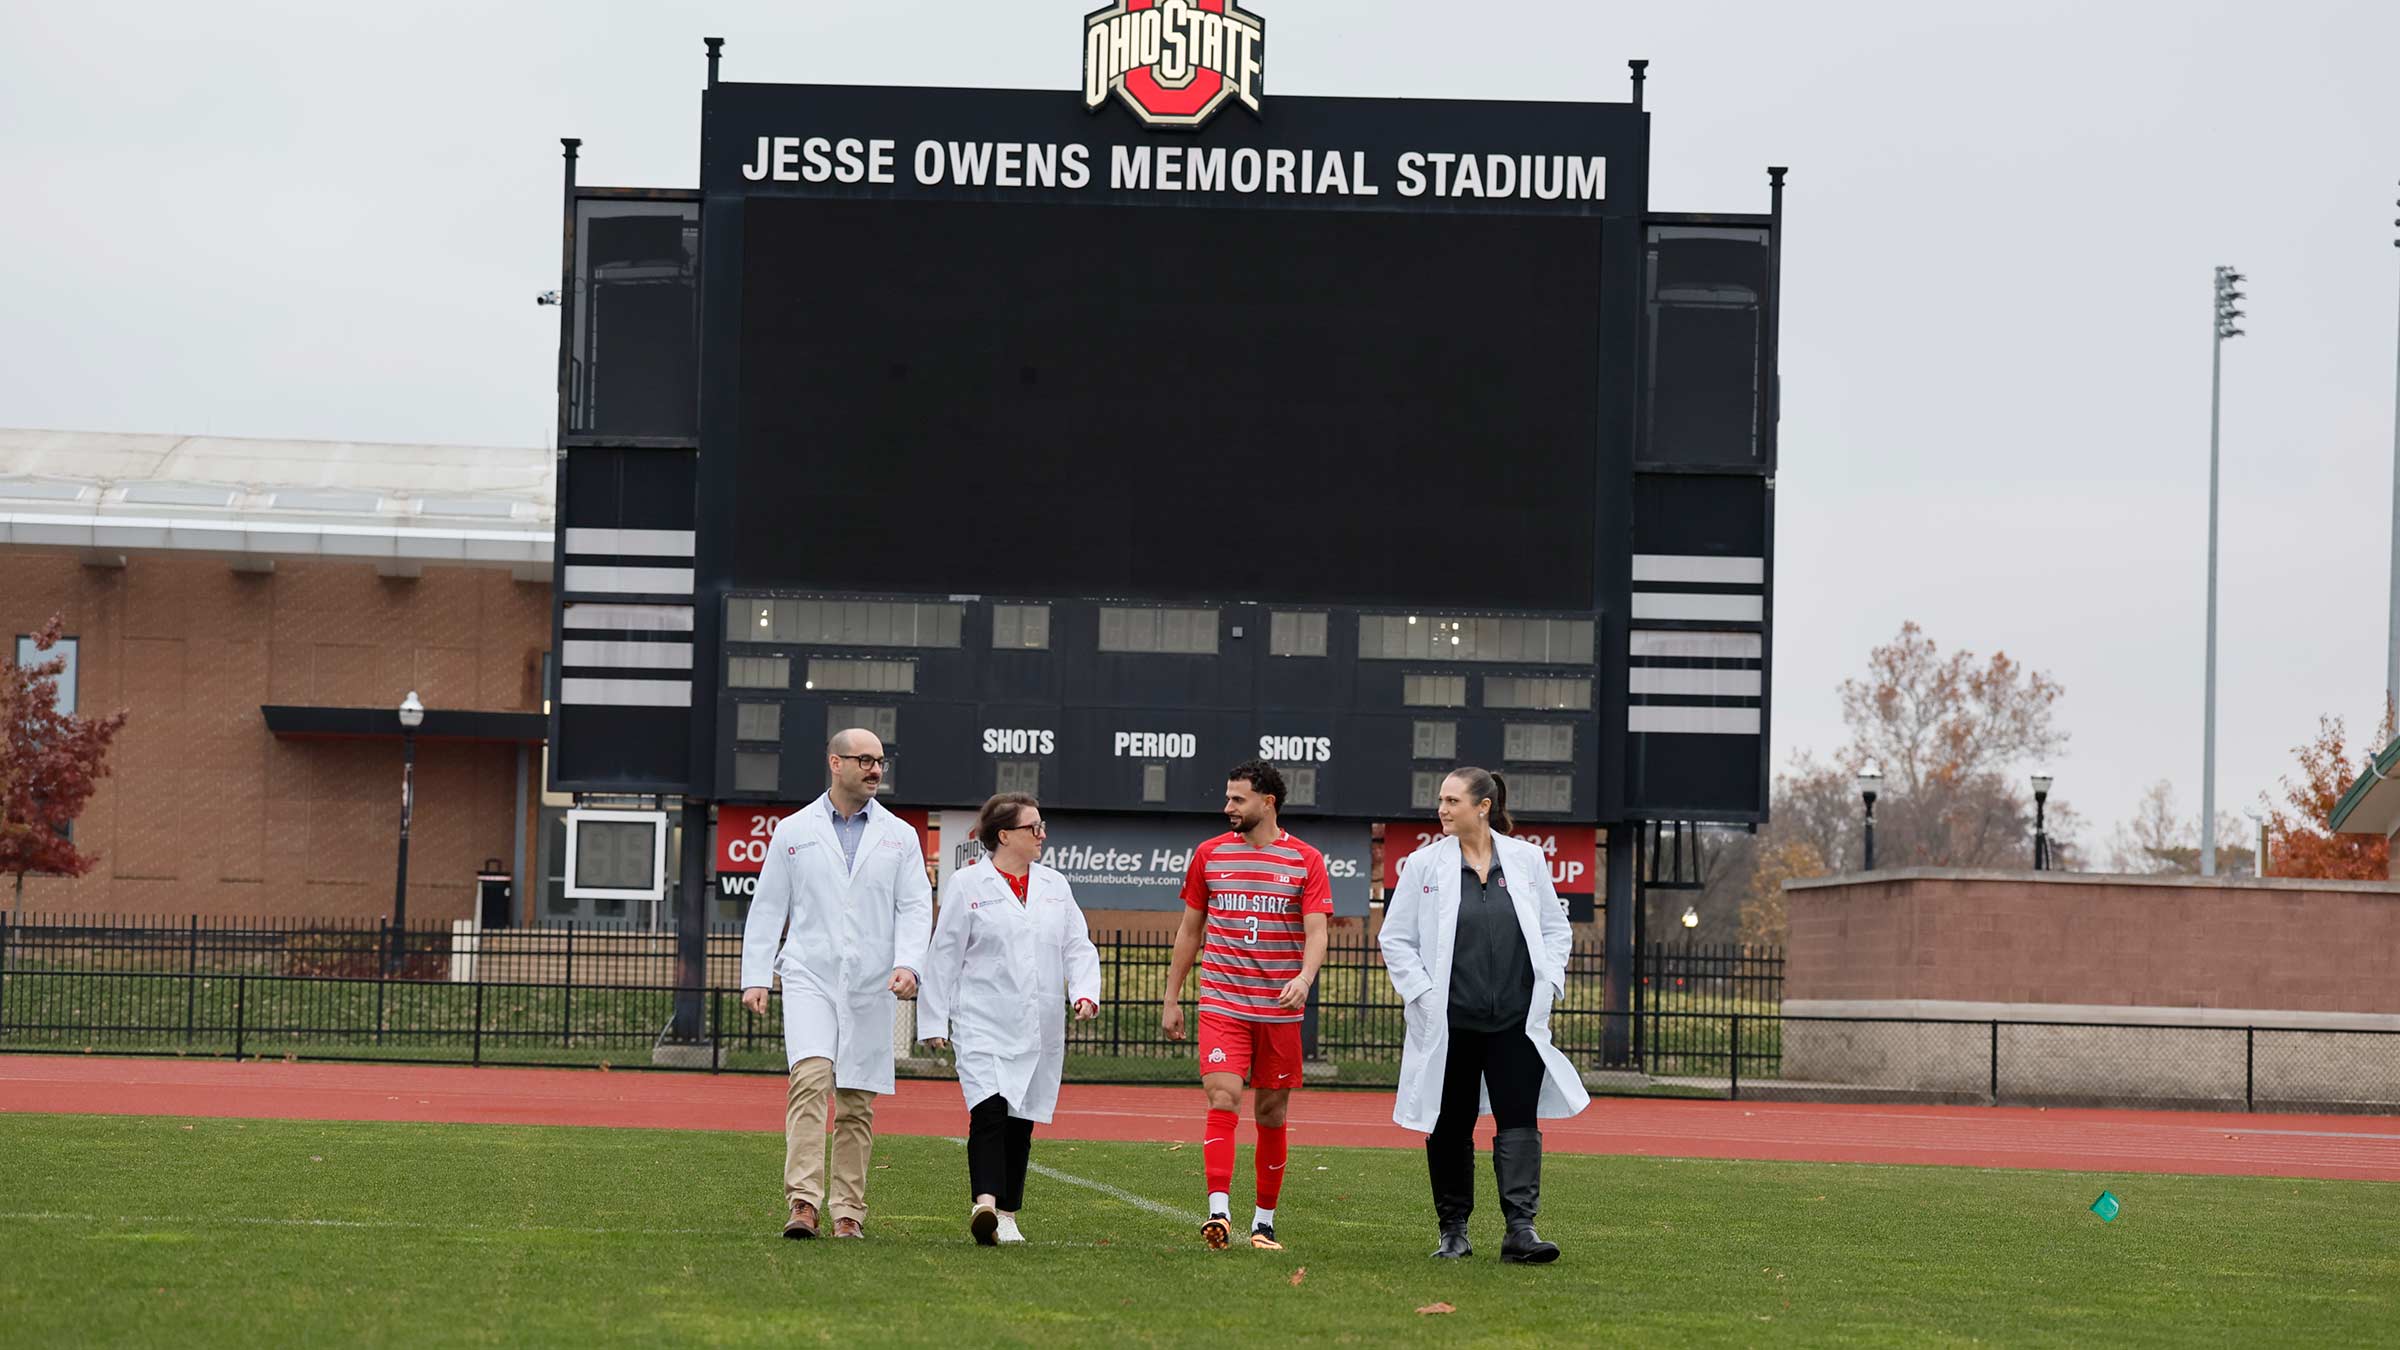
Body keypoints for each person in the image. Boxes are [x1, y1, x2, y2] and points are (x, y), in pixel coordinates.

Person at [1379, 767, 1590, 1264]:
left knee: (1519, 1121)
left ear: (1483, 806)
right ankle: (1453, 1231)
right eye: (1441, 800)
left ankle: (1521, 1229)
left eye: (1452, 800)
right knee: (1450, 1123)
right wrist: (1426, 995)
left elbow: (1557, 931)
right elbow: (1396, 939)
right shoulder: (1423, 865)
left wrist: (1550, 982)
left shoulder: (1527, 860)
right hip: (1449, 1024)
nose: (1442, 809)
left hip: (1516, 1020)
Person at [739, 728, 932, 1240]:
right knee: (810, 1077)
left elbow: (914, 906)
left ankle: (849, 1210)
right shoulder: (794, 830)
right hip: (808, 972)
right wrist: (757, 976)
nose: (875, 770)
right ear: (835, 762)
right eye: (864, 760)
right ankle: (803, 1203)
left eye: (880, 761)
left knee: (855, 1100)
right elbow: (768, 908)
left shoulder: (900, 835)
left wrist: (910, 963)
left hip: (872, 980)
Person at [1160, 759, 1331, 1251]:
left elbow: (1317, 933)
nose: (1227, 806)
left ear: (1267, 802)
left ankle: (1264, 1221)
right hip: (1222, 1003)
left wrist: (1304, 977)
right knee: (1223, 1096)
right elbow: (1190, 931)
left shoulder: (1306, 860)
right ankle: (1219, 1213)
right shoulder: (1209, 855)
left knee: (1272, 1114)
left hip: (1279, 1011)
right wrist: (1172, 998)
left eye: (1238, 799)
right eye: (1228, 797)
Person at [919, 793, 1102, 1245]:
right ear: (1004, 835)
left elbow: (1077, 945)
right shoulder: (967, 885)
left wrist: (1083, 992)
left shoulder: (1055, 886)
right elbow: (944, 955)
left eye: (1042, 826)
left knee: (1021, 1120)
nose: (1042, 835)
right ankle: (984, 1202)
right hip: (982, 1020)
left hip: (1038, 1024)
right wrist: (933, 1021)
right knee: (989, 1111)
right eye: (1032, 828)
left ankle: (1007, 1213)